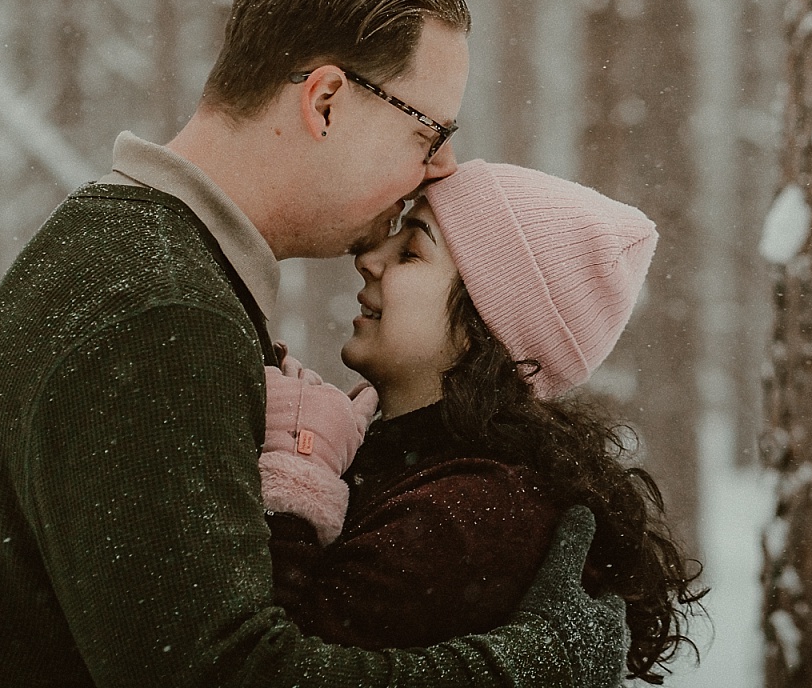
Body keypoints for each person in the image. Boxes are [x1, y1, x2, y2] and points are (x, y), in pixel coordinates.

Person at [0, 0, 629, 688]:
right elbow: (224, 675)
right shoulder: (161, 315)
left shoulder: (124, 256)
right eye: (430, 131)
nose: (440, 167)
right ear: (326, 101)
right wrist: (535, 667)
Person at [258, 161, 705, 684]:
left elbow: (255, 666)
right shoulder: (443, 475)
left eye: (411, 251)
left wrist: (297, 473)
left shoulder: (469, 513)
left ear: (481, 324)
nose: (369, 258)